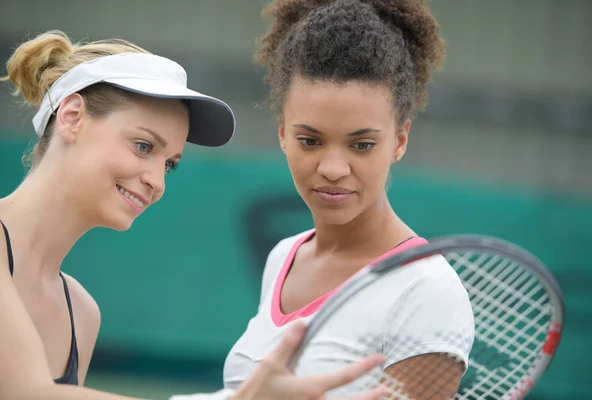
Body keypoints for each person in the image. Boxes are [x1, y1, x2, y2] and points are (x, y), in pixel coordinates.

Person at [0, 30, 389, 400]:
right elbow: (25, 394)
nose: (156, 180)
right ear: (71, 116)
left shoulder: (81, 314)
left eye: (170, 164)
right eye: (142, 146)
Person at [218, 0, 476, 399]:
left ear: (400, 141)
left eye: (362, 144)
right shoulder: (283, 257)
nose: (334, 168)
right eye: (310, 140)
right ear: (283, 133)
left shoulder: (426, 289)